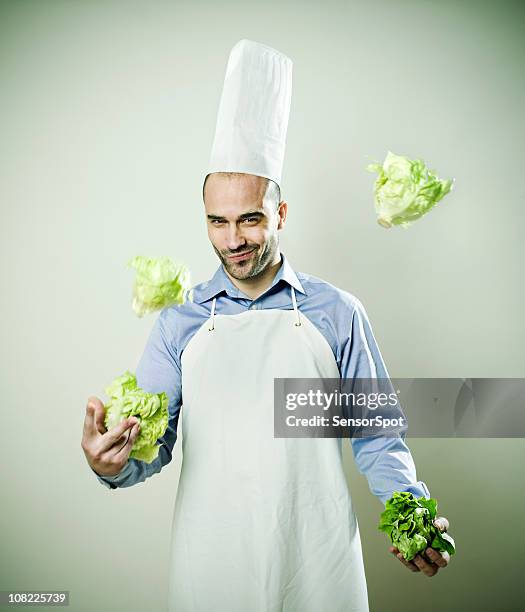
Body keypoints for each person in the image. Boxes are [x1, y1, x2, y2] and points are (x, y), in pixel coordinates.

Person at [81, 40, 451, 612]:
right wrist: (113, 463)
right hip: (212, 564)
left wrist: (410, 512)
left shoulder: (336, 314)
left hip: (318, 559)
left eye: (250, 220)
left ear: (279, 214)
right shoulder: (178, 323)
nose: (233, 241)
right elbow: (149, 446)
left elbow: (377, 437)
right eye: (218, 222)